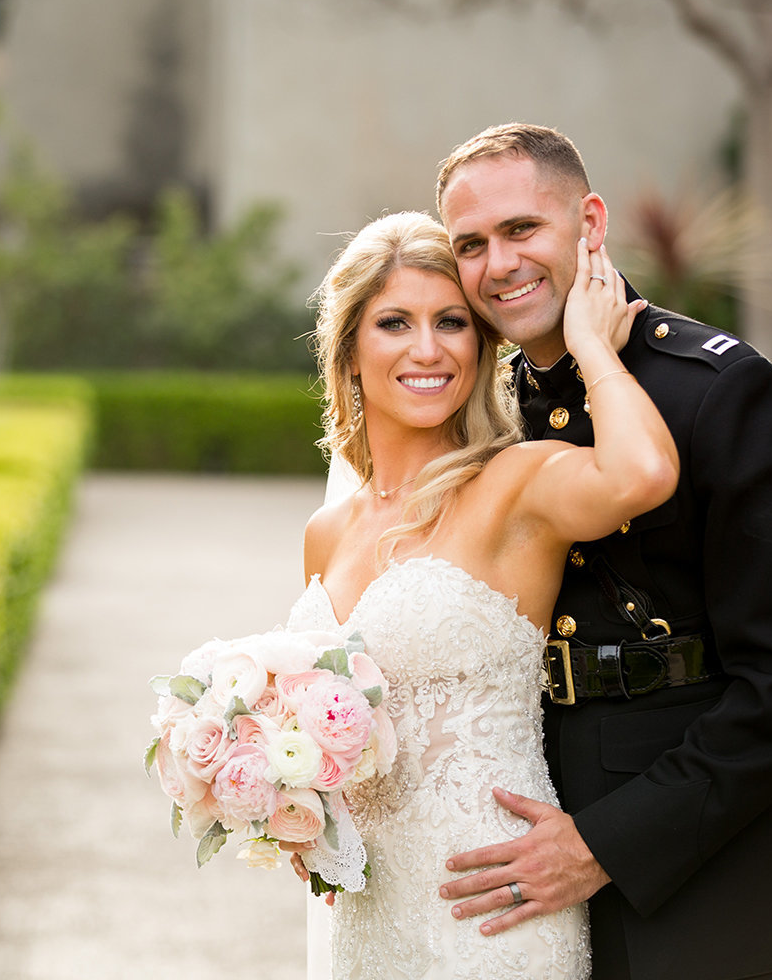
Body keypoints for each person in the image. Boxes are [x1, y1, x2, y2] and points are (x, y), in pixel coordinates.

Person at [433, 122, 772, 979]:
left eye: (522, 230)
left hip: (724, 872)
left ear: (589, 224)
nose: (499, 264)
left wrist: (607, 844)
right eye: (470, 245)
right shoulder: (486, 416)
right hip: (537, 849)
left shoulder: (721, 392)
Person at [285, 209, 678, 978]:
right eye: (395, 323)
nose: (427, 349)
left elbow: (643, 475)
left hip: (492, 909)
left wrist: (590, 348)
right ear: (350, 352)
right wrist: (298, 806)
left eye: (453, 323)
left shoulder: (516, 483)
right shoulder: (325, 533)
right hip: (369, 917)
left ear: (481, 346)